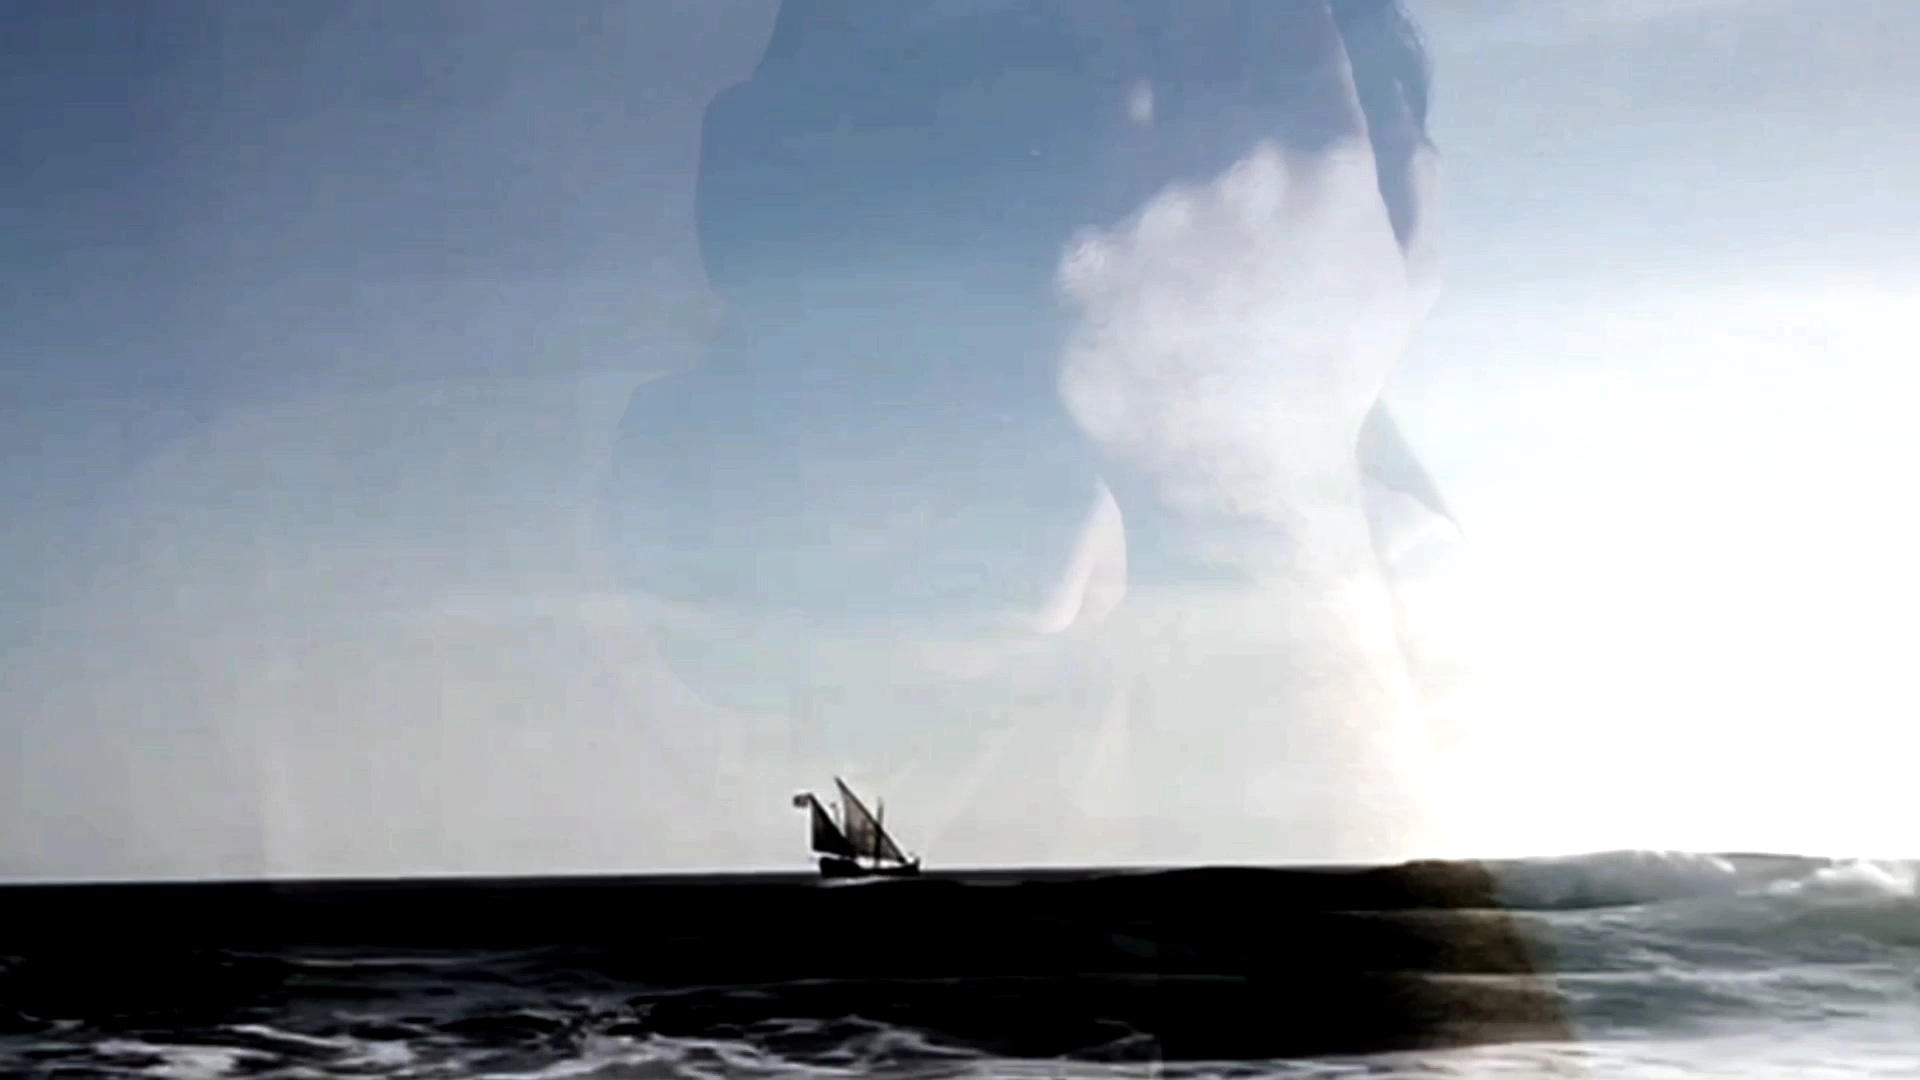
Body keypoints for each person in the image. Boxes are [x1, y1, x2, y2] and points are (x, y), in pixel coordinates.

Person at [613, 0, 1473, 865]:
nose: (1053, 588)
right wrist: (1246, 513)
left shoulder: (1399, 592)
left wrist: (1257, 504)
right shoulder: (603, 619)